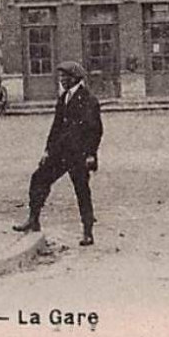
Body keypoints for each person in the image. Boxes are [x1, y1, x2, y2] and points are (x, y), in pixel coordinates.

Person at [14, 61, 102, 246]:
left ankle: (88, 231)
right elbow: (55, 127)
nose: (61, 80)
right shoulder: (63, 98)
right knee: (39, 178)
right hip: (59, 152)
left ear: (74, 78)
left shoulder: (89, 99)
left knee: (82, 191)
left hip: (79, 154)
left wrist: (91, 154)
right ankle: (33, 219)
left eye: (64, 77)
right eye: (61, 76)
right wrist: (47, 150)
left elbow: (95, 130)